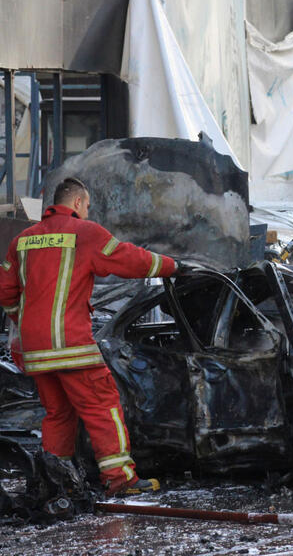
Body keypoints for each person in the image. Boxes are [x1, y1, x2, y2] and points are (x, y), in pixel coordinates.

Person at [0, 177, 179, 496]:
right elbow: (130, 259)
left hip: (35, 350)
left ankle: (57, 480)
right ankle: (120, 479)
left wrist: (25, 320)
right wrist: (173, 266)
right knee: (103, 405)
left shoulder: (23, 240)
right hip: (72, 347)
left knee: (58, 414)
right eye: (88, 205)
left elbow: (6, 292)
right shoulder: (85, 233)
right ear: (79, 203)